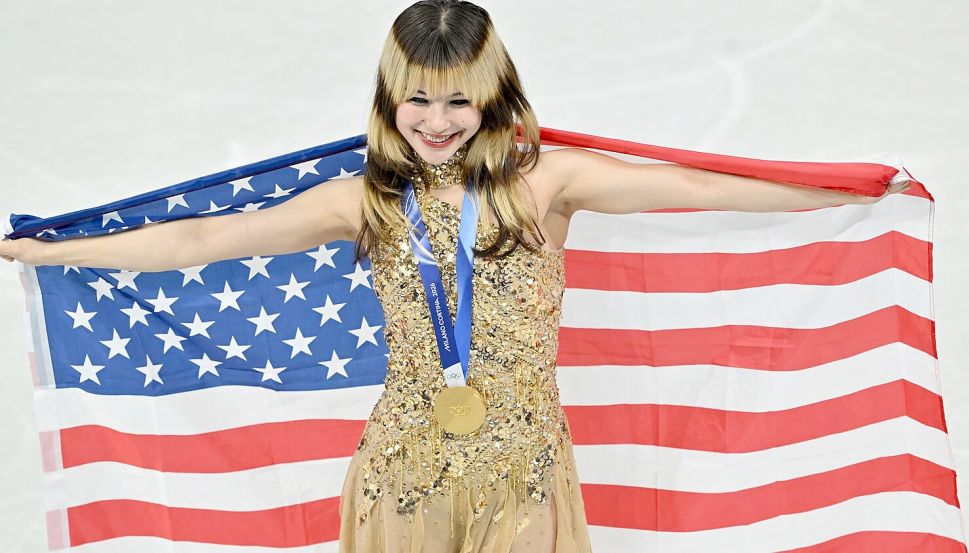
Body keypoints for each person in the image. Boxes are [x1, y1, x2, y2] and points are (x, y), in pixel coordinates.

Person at [0, 1, 910, 551]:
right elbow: (206, 241)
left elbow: (687, 185)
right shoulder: (364, 200)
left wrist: (832, 188)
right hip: (405, 470)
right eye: (419, 98)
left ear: (494, 95)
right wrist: (47, 252)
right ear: (389, 96)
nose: (437, 121)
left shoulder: (545, 184)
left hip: (524, 473)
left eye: (458, 99)